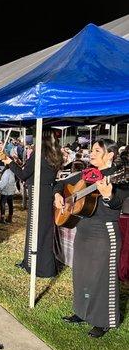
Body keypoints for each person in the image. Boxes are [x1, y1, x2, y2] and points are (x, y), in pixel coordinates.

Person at [54, 139, 127, 338]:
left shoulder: (119, 177)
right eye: (91, 149)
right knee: (82, 274)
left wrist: (107, 196)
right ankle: (81, 312)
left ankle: (103, 320)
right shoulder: (87, 173)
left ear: (110, 154)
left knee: (102, 278)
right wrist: (58, 196)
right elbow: (60, 184)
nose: (91, 153)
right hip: (84, 230)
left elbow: (118, 201)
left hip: (104, 233)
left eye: (97, 150)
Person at [1, 130, 63, 277]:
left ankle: (38, 266)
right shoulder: (56, 155)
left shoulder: (39, 154)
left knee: (35, 229)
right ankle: (33, 262)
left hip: (38, 193)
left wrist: (10, 163)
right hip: (48, 192)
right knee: (44, 230)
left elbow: (23, 174)